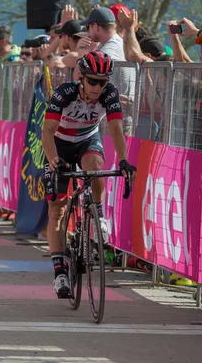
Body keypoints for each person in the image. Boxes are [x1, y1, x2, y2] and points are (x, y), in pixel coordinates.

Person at [42, 51, 137, 297]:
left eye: (102, 81)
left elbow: (115, 128)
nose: (97, 87)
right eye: (92, 81)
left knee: (95, 167)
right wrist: (54, 160)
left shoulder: (109, 93)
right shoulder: (64, 93)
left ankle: (98, 213)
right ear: (81, 78)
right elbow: (48, 131)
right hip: (60, 143)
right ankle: (60, 273)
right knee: (57, 208)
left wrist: (125, 160)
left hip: (87, 139)